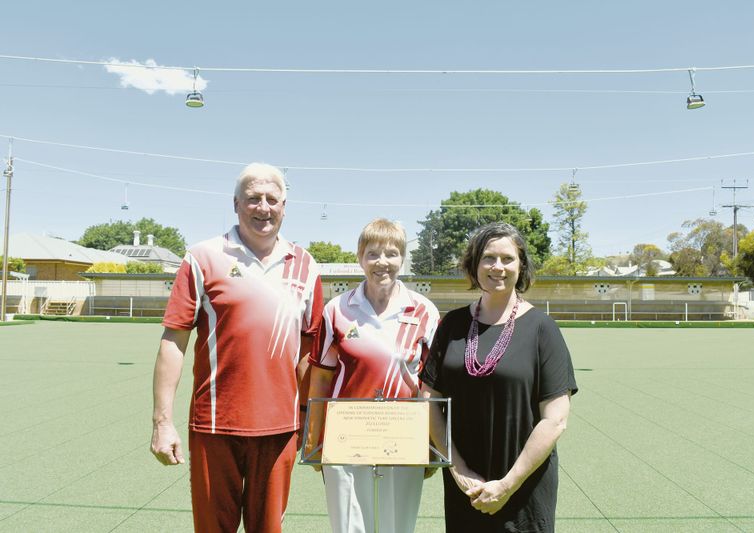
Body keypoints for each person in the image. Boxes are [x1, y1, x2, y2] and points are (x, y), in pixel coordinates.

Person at [149, 163, 324, 533]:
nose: (263, 207)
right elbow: (173, 340)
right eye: (253, 198)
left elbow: (309, 352)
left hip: (280, 428)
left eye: (272, 199)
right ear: (235, 204)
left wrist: (311, 418)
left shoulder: (305, 265)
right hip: (215, 424)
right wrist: (162, 423)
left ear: (284, 206)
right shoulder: (202, 257)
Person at [420, 222, 578, 533]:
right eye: (488, 258)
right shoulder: (452, 325)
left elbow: (555, 420)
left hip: (524, 488)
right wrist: (458, 468)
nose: (498, 267)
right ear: (473, 265)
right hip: (467, 488)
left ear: (522, 265)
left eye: (508, 258)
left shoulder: (542, 329)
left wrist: (508, 484)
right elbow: (429, 398)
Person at [304, 218, 439, 533]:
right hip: (346, 441)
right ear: (359, 257)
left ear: (402, 258)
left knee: (398, 526)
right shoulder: (336, 310)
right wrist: (313, 439)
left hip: (404, 439)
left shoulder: (425, 311)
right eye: (373, 253)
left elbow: (431, 386)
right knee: (350, 527)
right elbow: (321, 377)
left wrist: (432, 443)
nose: (383, 262)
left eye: (392, 253)